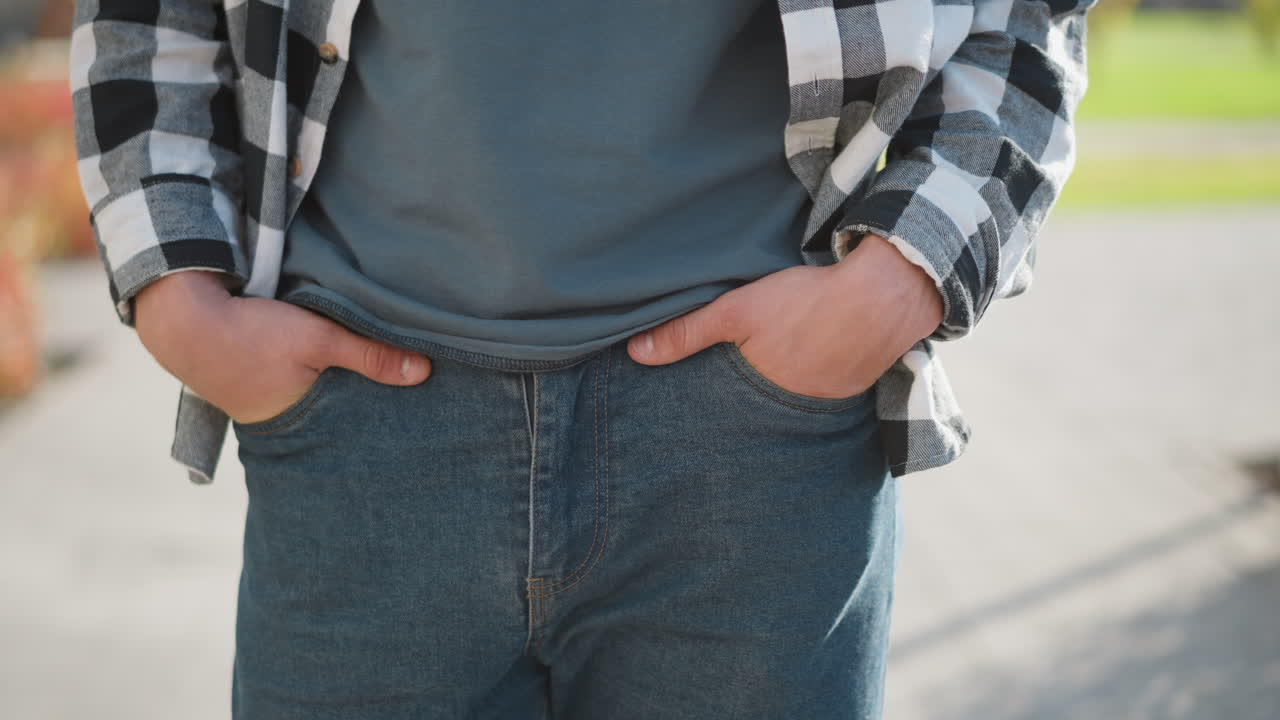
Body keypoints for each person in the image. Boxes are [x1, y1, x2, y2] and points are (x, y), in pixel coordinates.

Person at [70, 0, 1094, 717]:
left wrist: (899, 280)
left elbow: (1027, 16)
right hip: (359, 441)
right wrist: (176, 298)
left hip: (752, 459)